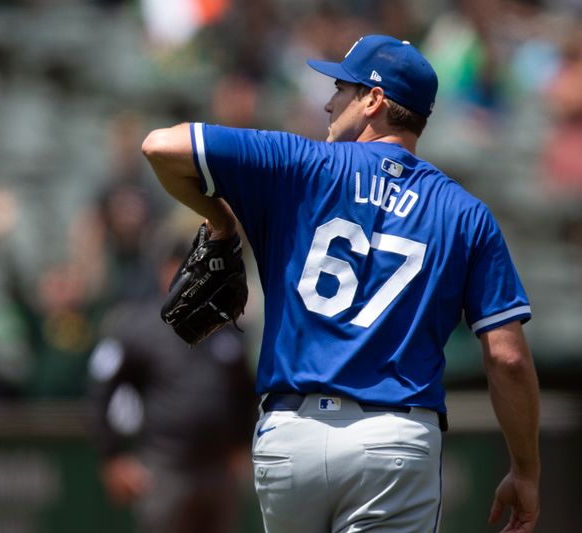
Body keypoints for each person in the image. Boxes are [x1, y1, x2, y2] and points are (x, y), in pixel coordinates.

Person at [142, 34, 540, 533]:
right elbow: (507, 357)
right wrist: (526, 469)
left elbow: (159, 145)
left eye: (341, 88)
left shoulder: (298, 164)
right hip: (393, 440)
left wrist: (219, 221)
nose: (330, 101)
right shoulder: (466, 214)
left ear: (373, 100)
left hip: (292, 437)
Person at [88, 224, 257, 533]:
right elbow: (102, 388)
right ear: (162, 270)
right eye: (178, 265)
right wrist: (113, 457)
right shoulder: (137, 327)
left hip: (219, 470)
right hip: (165, 467)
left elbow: (244, 392)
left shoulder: (224, 324)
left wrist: (241, 446)